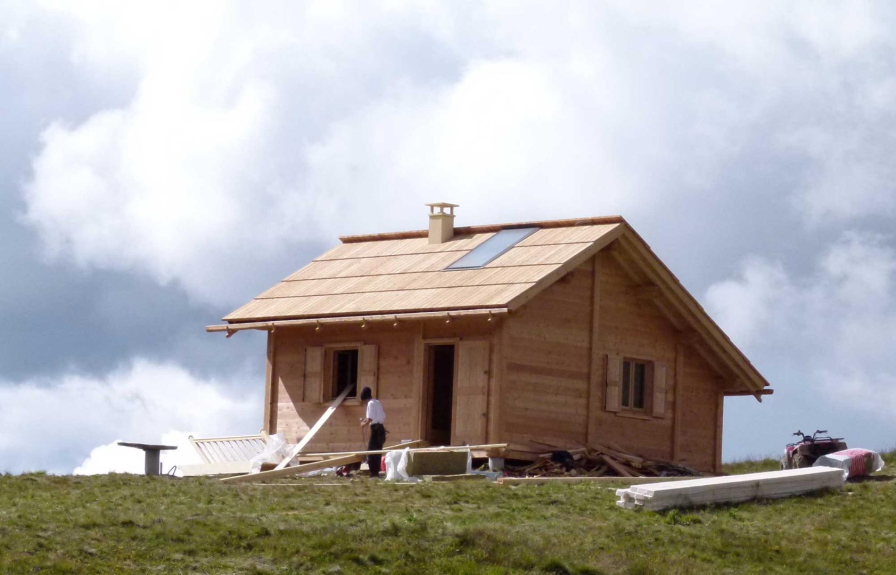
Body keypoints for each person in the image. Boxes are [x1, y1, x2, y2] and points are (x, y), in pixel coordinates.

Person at [359, 387, 386, 478]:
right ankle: (376, 472)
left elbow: (370, 418)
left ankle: (373, 473)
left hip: (375, 429)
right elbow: (380, 416)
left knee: (372, 451)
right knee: (378, 450)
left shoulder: (370, 403)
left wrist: (363, 424)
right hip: (381, 428)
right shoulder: (377, 402)